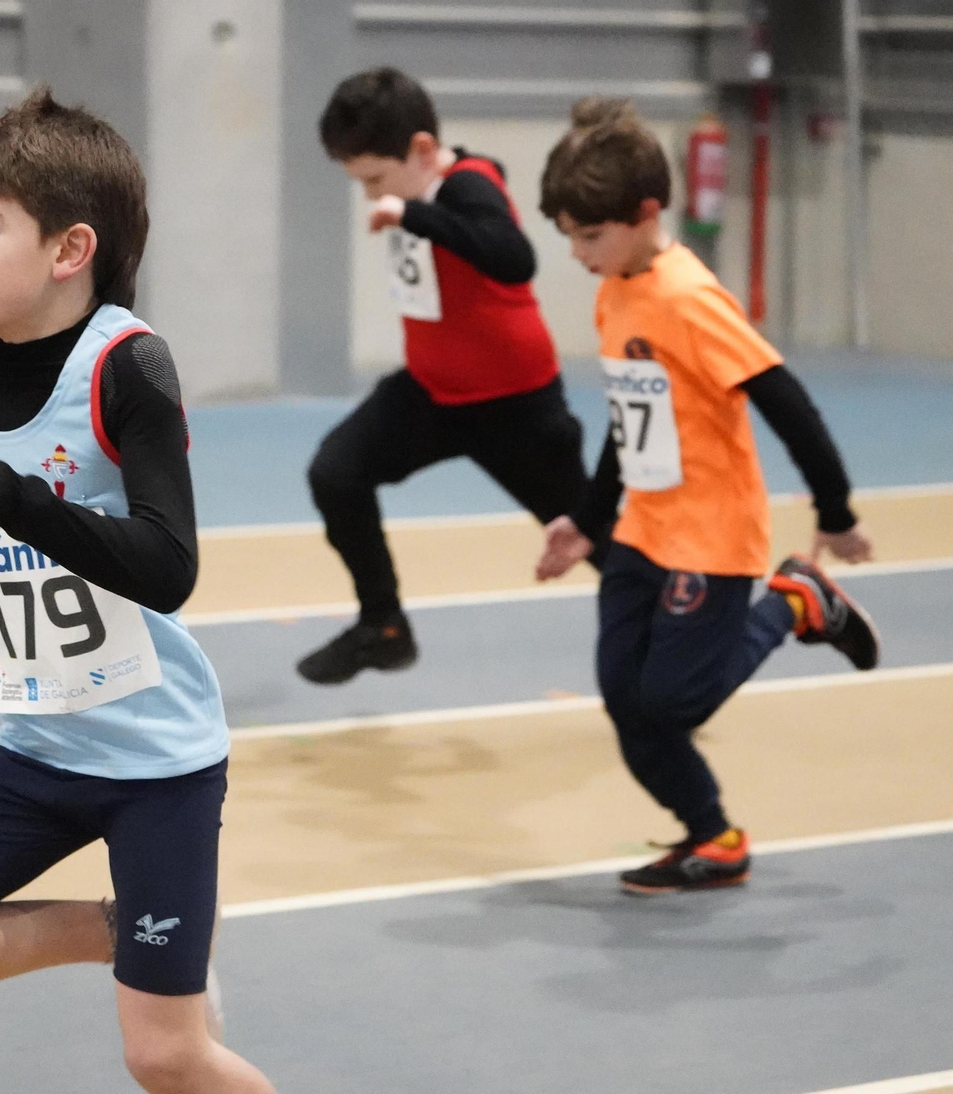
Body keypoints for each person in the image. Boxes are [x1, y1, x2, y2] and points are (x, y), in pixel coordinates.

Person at [0, 90, 278, 1094]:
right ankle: (113, 929)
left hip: (157, 759)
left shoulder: (126, 364)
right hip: (39, 746)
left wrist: (11, 495)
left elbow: (169, 565)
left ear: (70, 248)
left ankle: (157, 943)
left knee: (165, 1055)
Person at [534, 98, 880, 895]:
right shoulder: (616, 288)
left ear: (646, 213)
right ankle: (714, 838)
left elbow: (787, 401)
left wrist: (835, 510)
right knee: (628, 702)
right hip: (642, 529)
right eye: (571, 239)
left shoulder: (690, 297)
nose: (580, 255)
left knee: (673, 700)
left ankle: (795, 600)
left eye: (591, 236)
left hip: (712, 534)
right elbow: (632, 419)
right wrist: (587, 522)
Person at [298, 66, 600, 685]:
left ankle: (685, 643)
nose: (370, 196)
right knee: (336, 473)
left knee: (600, 540)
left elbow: (516, 259)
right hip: (433, 395)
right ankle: (383, 626)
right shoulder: (419, 194)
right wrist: (405, 205)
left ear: (424, 151)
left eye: (376, 180)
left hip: (516, 408)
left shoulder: (468, 186)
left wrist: (411, 212)